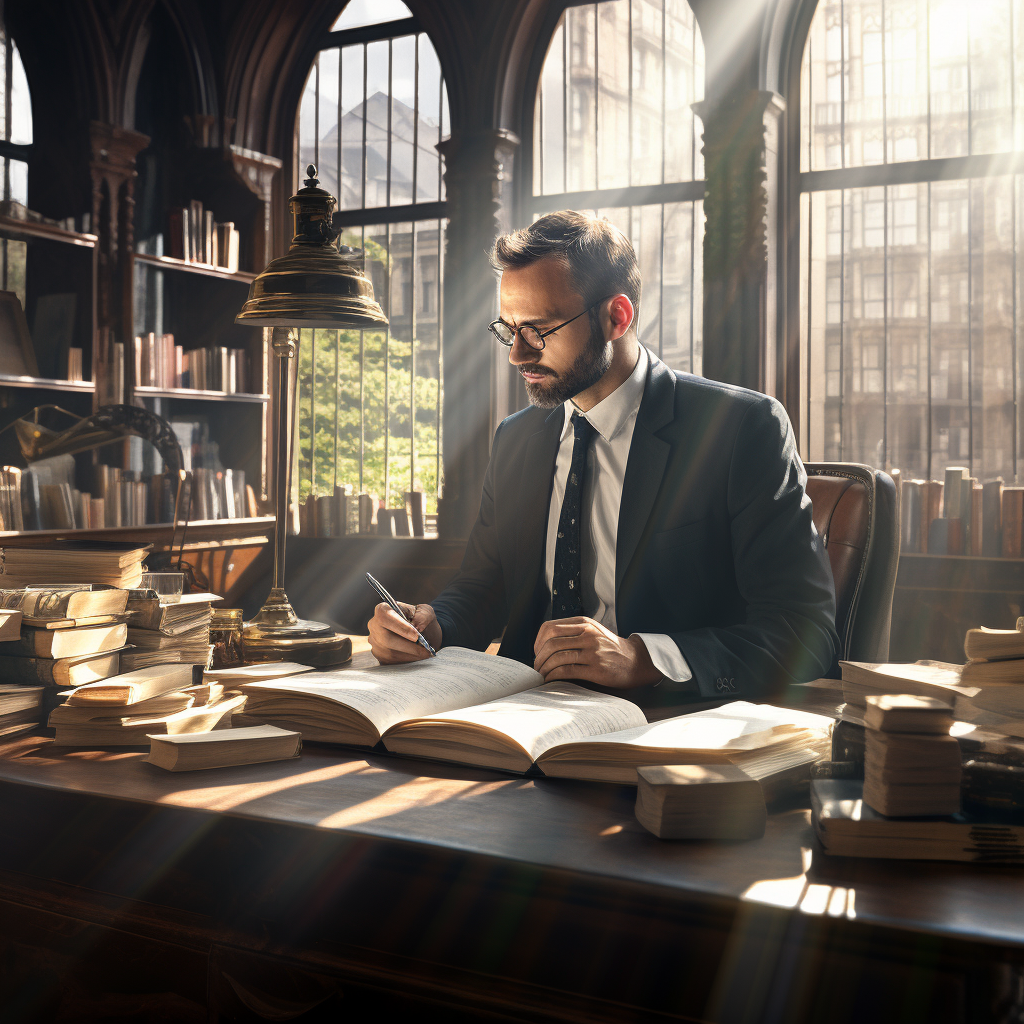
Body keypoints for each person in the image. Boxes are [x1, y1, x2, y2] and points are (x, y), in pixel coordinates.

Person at [368, 211, 838, 705]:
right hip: (518, 716)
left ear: (617, 316)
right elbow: (486, 586)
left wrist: (644, 658)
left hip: (666, 722)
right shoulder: (516, 438)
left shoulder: (742, 428)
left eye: (540, 330)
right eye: (509, 330)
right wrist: (430, 625)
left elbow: (806, 632)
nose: (517, 355)